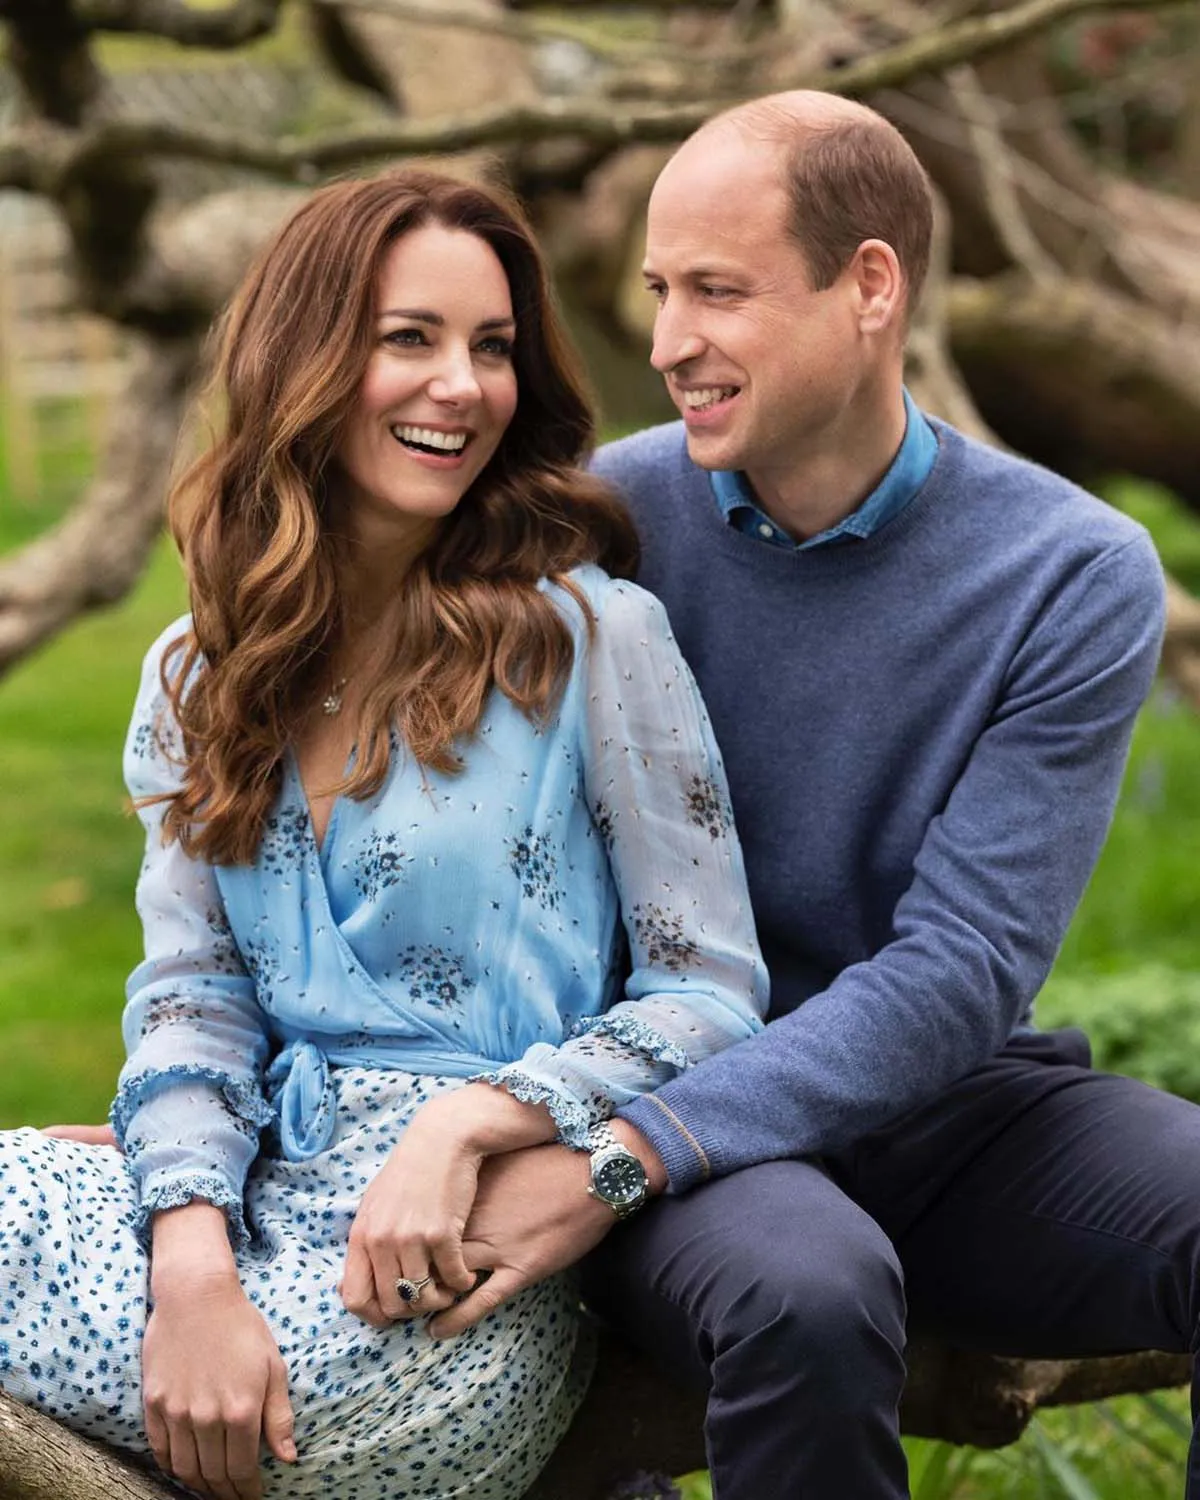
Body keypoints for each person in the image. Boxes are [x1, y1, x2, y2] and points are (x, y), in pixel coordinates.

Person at [427, 92, 1200, 1499]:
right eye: (659, 291)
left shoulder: (1069, 572)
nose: (668, 342)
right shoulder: (602, 525)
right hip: (665, 1086)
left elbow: (964, 969)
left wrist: (626, 1159)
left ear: (871, 287)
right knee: (809, 1294)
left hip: (933, 1107)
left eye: (718, 291)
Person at [0, 167, 768, 1500]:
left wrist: (475, 1119)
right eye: (409, 338)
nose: (460, 387)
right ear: (303, 361)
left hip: (454, 1271)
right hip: (245, 1196)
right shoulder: (201, 671)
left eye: (493, 348)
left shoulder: (593, 640)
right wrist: (189, 1264)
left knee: (292, 1404)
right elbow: (191, 999)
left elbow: (709, 990)